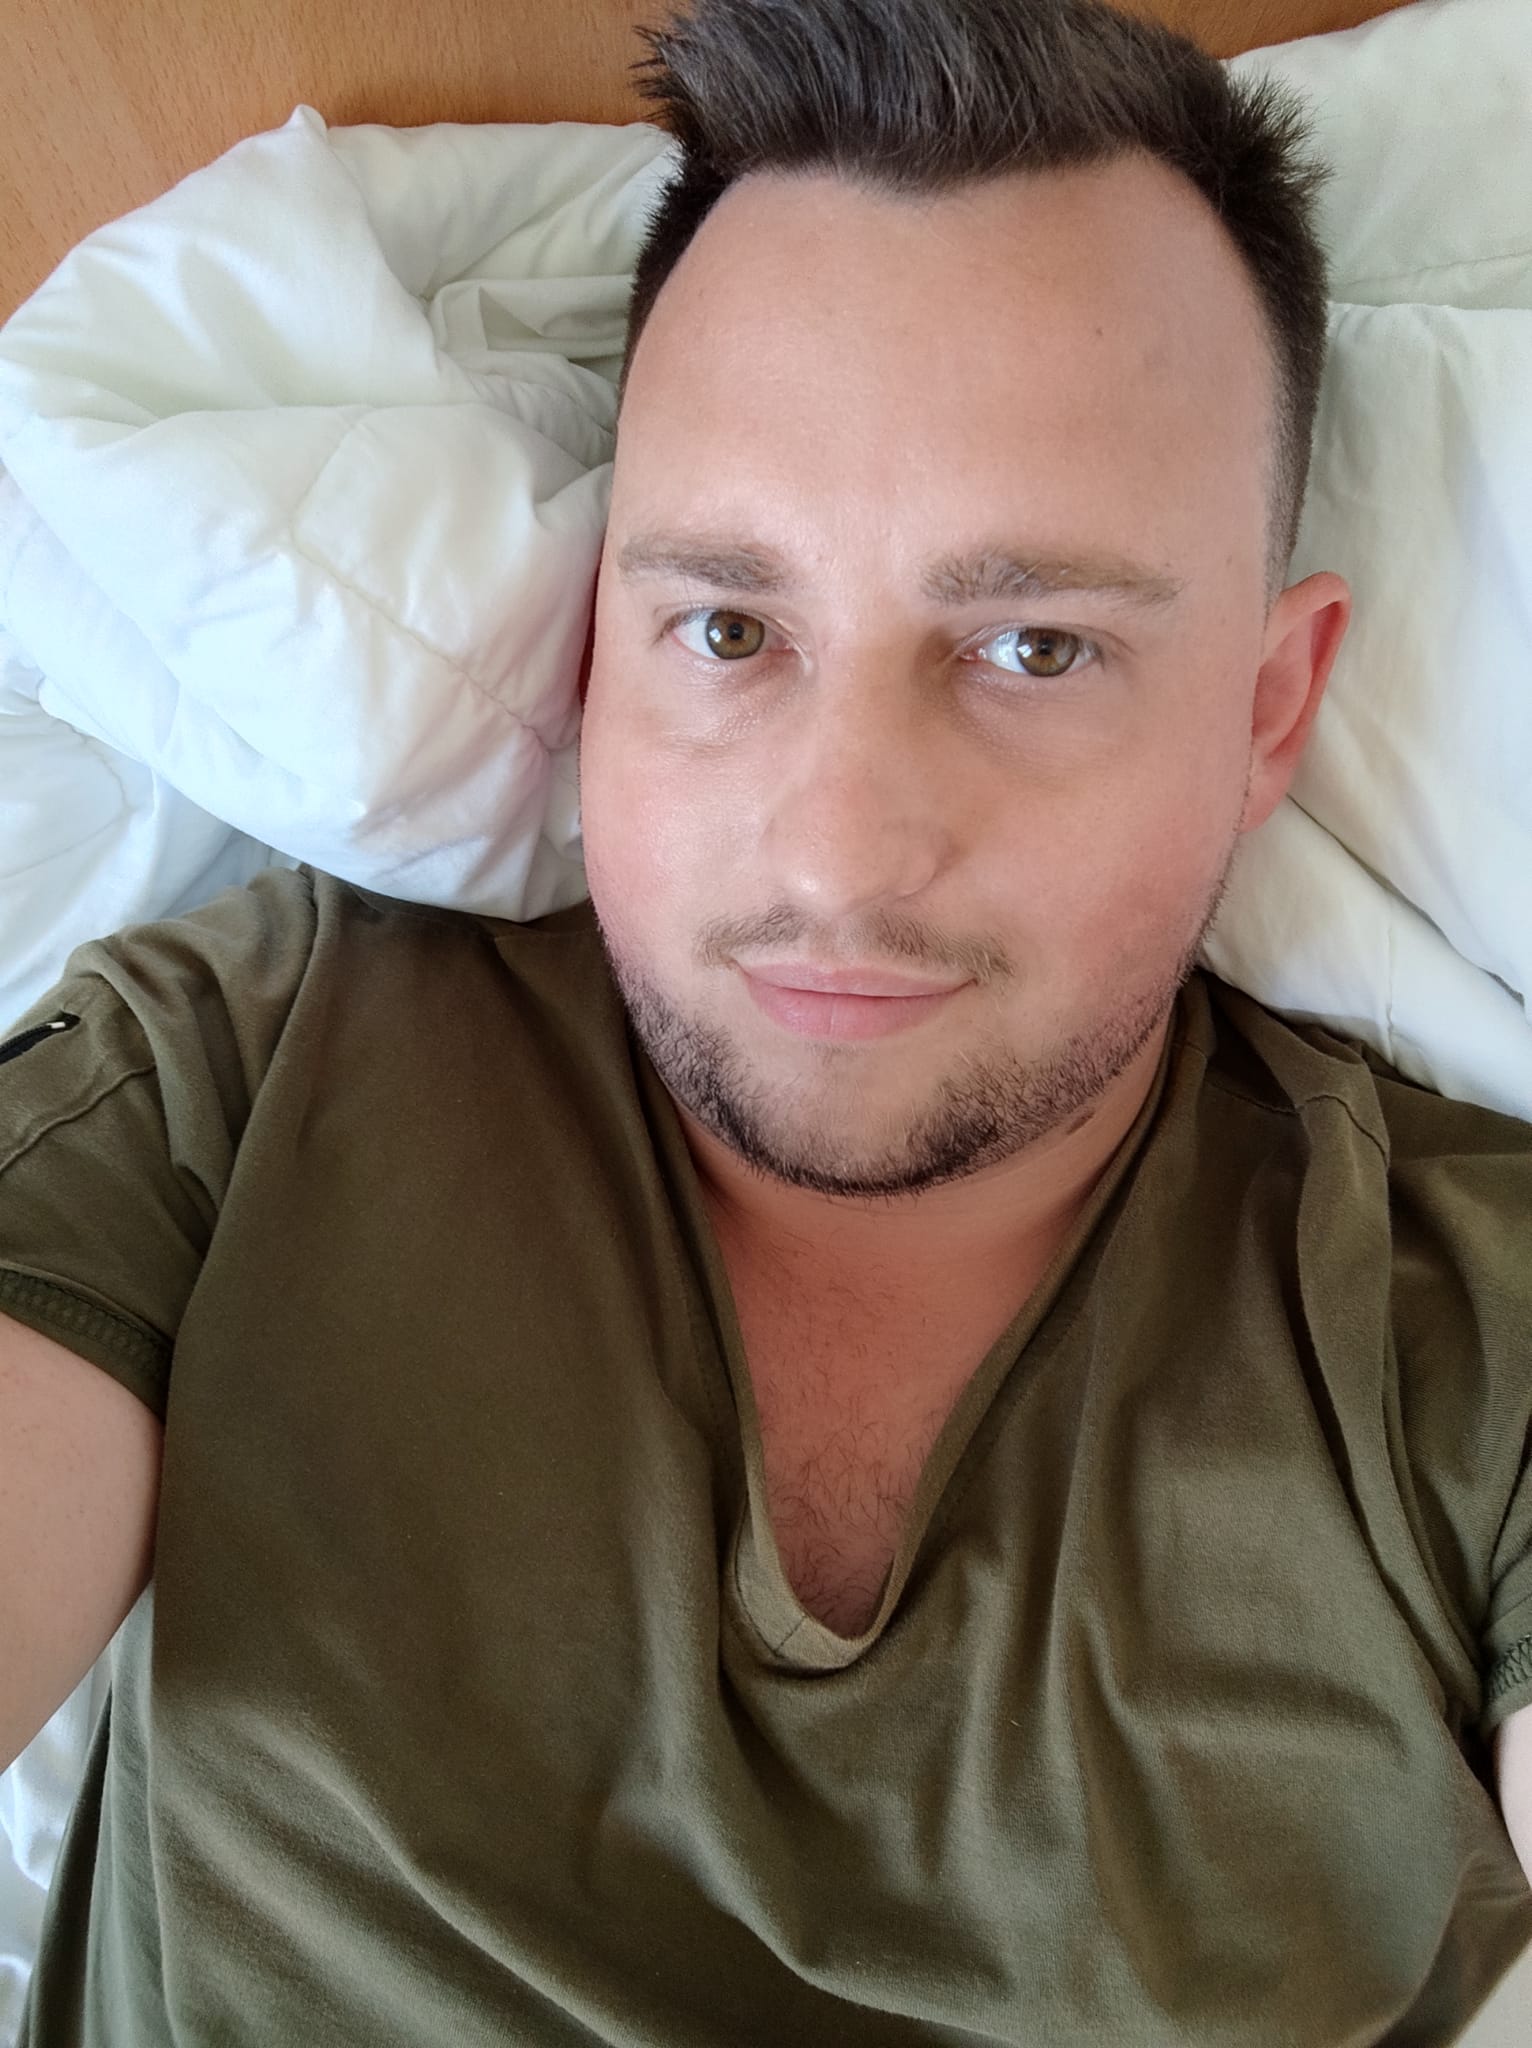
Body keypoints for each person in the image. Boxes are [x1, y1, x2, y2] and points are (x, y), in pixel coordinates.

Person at [1, 0, 1530, 2039]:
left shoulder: (1473, 1328)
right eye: (728, 627)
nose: (839, 849)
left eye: (1034, 646)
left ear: (1267, 713)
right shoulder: (238, 1078)